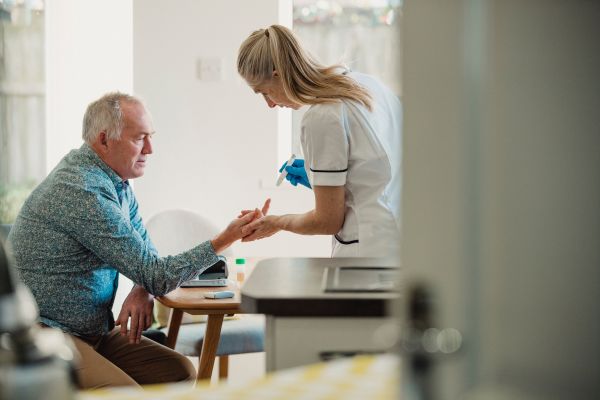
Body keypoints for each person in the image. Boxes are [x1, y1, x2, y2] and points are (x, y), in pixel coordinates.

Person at [6, 92, 258, 389]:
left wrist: (143, 287)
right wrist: (224, 239)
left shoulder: (118, 184)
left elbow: (147, 259)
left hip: (93, 331)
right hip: (49, 333)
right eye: (140, 138)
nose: (150, 149)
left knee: (179, 373)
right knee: (128, 394)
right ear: (104, 140)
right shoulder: (84, 191)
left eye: (151, 137)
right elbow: (156, 273)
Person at [236, 25, 402, 257]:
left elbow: (327, 222)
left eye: (264, 92)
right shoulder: (369, 85)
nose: (270, 104)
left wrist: (275, 222)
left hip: (369, 256)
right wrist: (322, 179)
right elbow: (377, 171)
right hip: (404, 242)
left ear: (278, 75)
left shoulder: (321, 116)